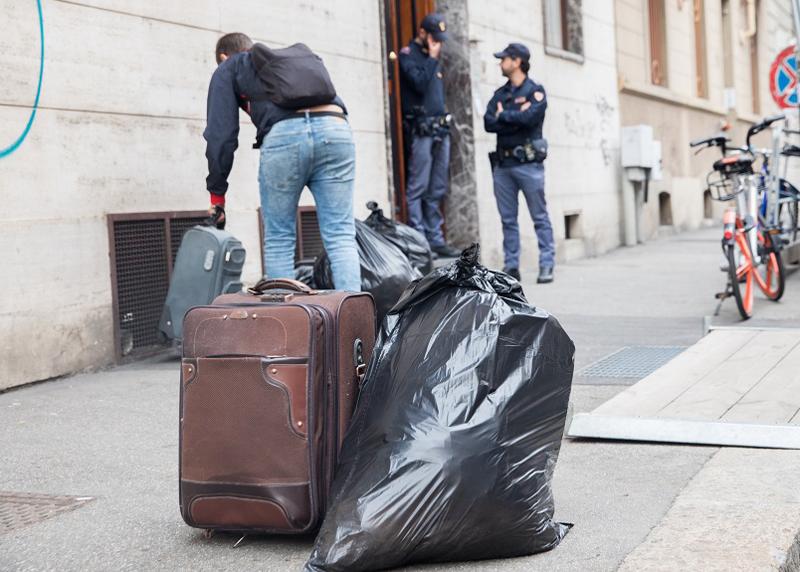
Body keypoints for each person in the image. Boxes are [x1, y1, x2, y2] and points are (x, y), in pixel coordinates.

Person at [203, 33, 361, 291]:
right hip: (336, 128)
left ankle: (289, 326)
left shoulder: (229, 67)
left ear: (223, 57)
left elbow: (221, 136)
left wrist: (217, 197)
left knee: (279, 239)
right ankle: (357, 327)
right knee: (341, 235)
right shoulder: (288, 63)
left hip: (285, 137)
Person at [484, 43, 555, 284]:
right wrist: (512, 115)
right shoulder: (500, 94)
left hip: (528, 165)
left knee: (539, 216)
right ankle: (511, 266)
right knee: (508, 219)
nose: (500, 63)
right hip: (503, 166)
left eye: (504, 59)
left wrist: (504, 115)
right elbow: (488, 122)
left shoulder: (536, 91)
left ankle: (547, 263)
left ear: (516, 62)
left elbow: (530, 118)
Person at [398, 13, 461, 258]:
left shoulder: (432, 58)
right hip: (421, 131)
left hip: (439, 131)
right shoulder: (408, 55)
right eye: (434, 38)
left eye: (440, 39)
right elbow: (419, 83)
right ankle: (420, 241)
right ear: (422, 33)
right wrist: (432, 58)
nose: (438, 43)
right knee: (418, 187)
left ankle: (436, 239)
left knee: (437, 188)